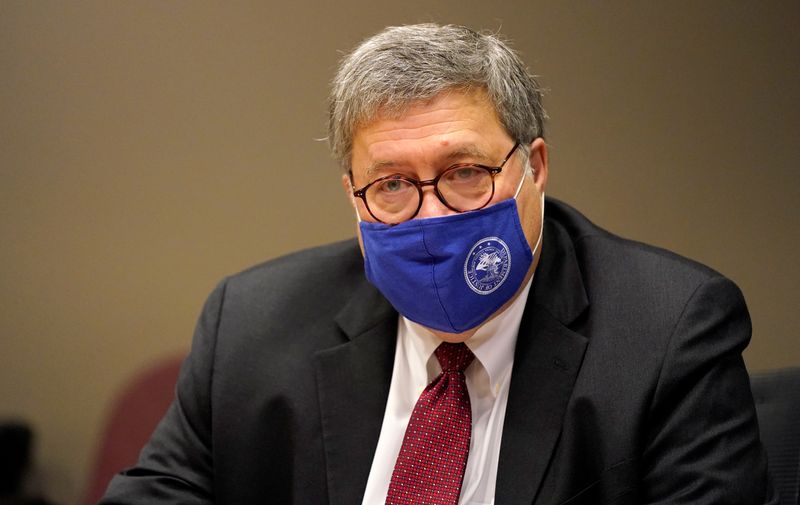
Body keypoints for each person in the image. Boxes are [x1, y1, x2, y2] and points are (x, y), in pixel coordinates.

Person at [100, 24, 776, 504]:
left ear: (533, 168)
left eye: (464, 173)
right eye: (391, 185)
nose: (429, 216)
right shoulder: (250, 322)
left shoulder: (670, 332)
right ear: (352, 196)